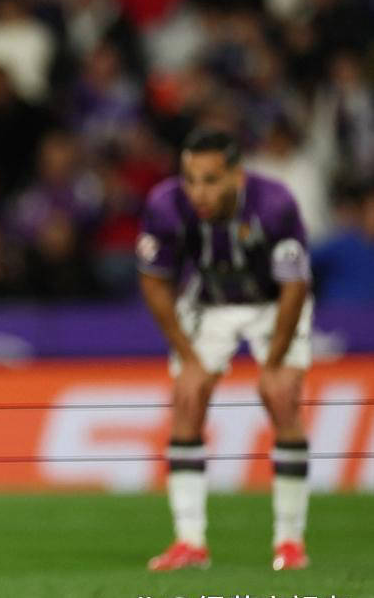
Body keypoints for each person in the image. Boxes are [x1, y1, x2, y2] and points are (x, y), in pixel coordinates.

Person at [137, 128, 312, 572]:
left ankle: (290, 542)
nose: (198, 192)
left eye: (211, 180)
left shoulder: (275, 204)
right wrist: (190, 359)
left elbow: (294, 286)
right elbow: (155, 283)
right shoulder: (165, 204)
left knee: (281, 396)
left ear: (238, 175)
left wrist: (273, 363)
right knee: (187, 396)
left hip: (273, 303)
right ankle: (190, 542)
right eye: (190, 179)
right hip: (210, 302)